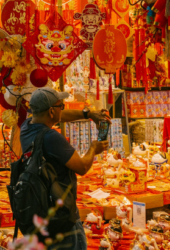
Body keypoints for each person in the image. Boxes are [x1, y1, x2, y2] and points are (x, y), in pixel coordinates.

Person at [19, 87, 110, 250]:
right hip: (63, 219)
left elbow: (57, 116)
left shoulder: (26, 127)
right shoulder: (52, 137)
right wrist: (93, 149)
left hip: (41, 211)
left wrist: (88, 114)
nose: (63, 109)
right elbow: (82, 167)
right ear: (52, 112)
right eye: (61, 106)